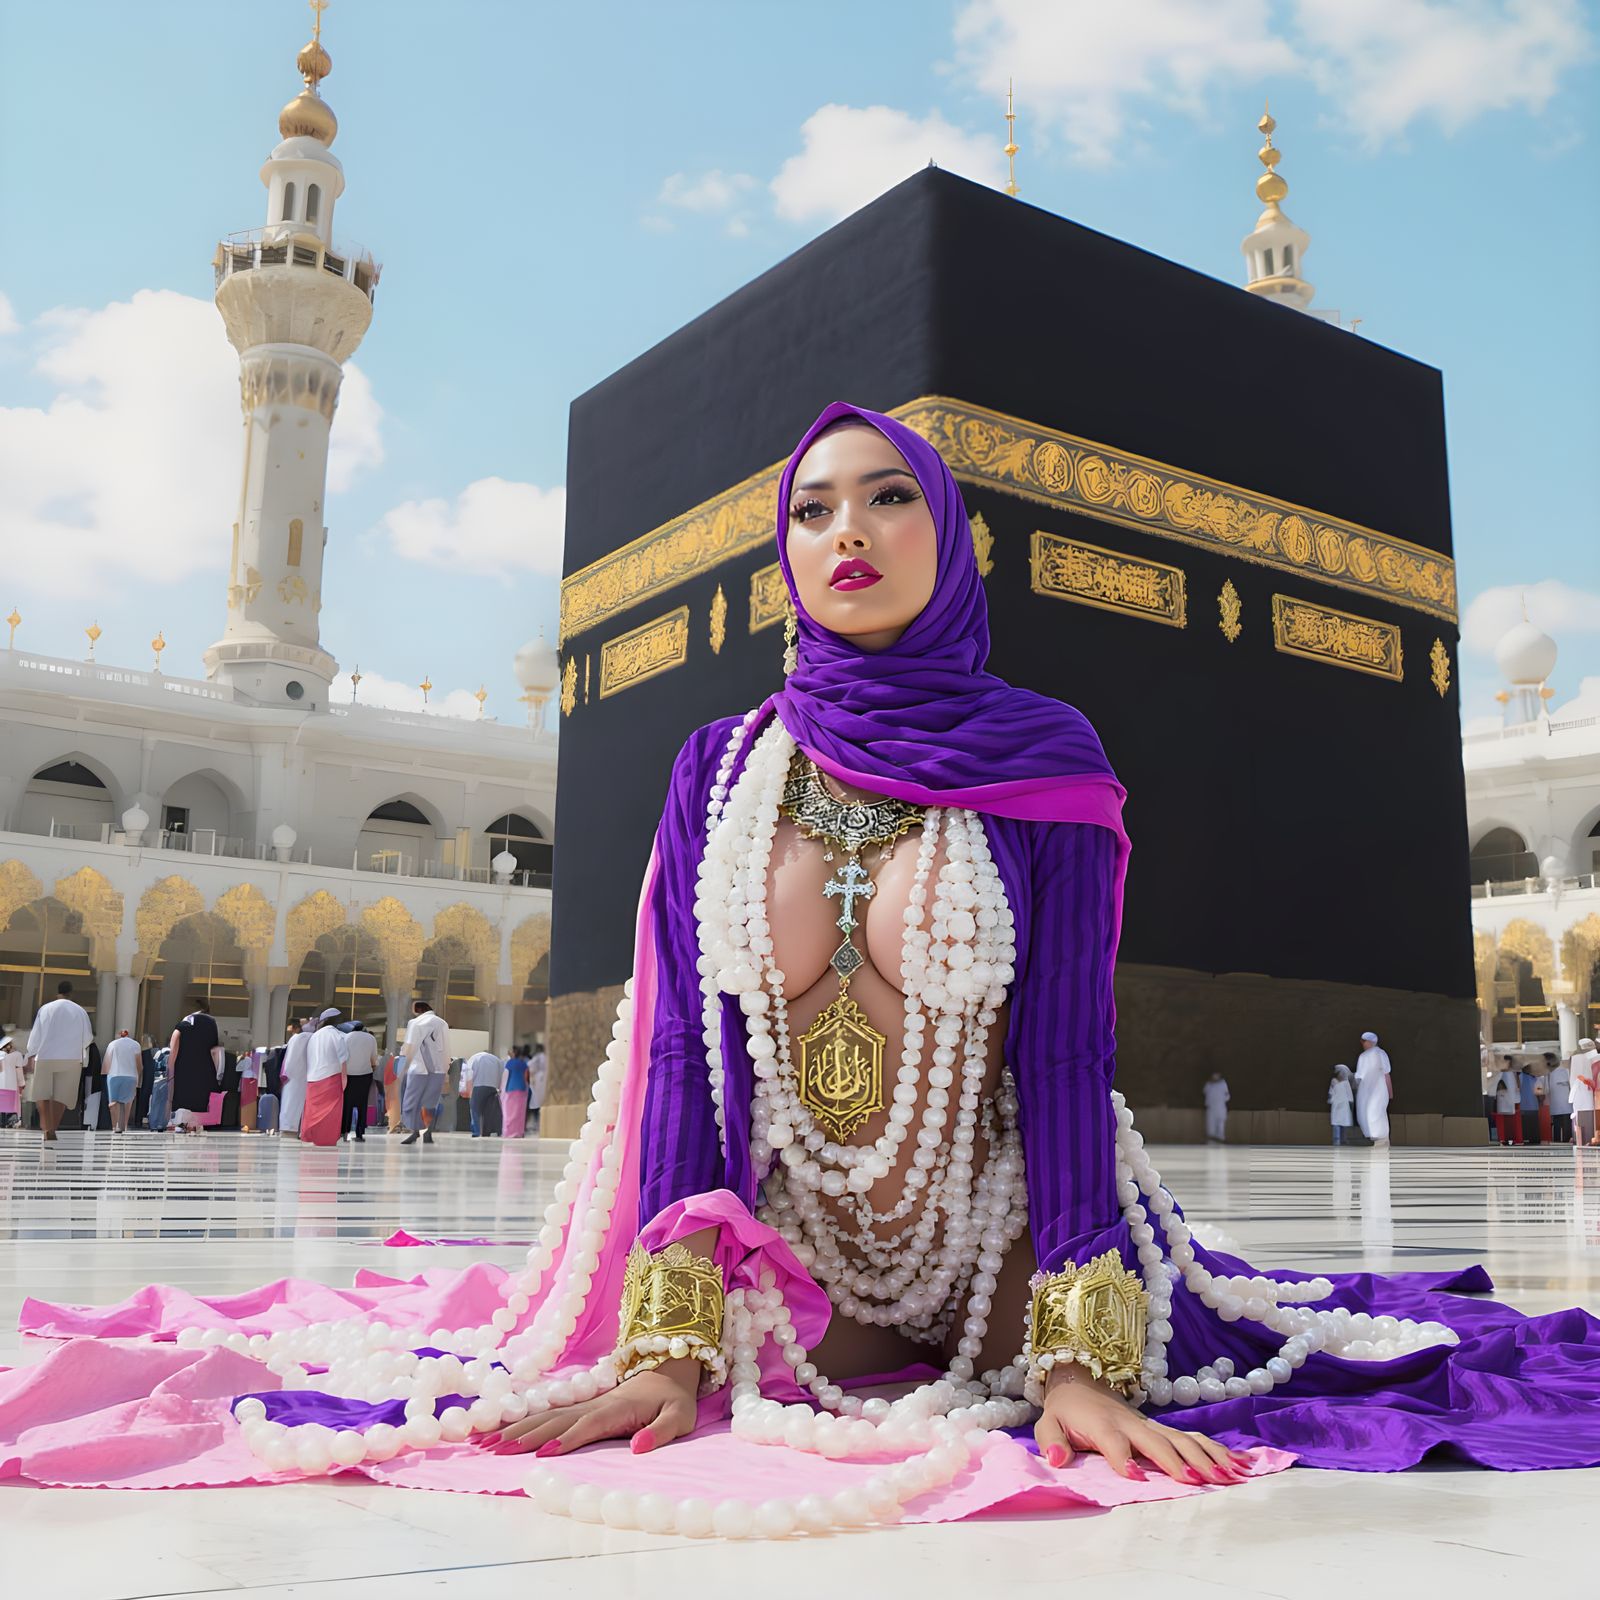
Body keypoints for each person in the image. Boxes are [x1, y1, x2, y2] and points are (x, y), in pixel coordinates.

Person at [13, 402, 1600, 1517]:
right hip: (796, 1266)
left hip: (998, 1257)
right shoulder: (723, 766)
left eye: (891, 496)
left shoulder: (1040, 759)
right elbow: (698, 1063)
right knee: (650, 1415)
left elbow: (1060, 1064)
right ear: (784, 551)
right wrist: (669, 1339)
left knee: (1148, 1408)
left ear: (952, 532)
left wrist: (1076, 1355)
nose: (852, 529)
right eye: (816, 506)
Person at [24, 979, 92, 1142]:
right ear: (71, 993)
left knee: (42, 1093)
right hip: (71, 1058)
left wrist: (31, 1053)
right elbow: (88, 1037)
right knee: (61, 1097)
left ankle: (46, 1127)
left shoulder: (46, 1008)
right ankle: (53, 1127)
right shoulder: (80, 1011)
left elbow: (36, 1035)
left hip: (46, 1055)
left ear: (58, 992)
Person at [167, 1002, 222, 1135]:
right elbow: (215, 1051)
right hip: (205, 1071)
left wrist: (170, 1071)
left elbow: (173, 1050)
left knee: (183, 1099)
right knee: (200, 1101)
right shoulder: (211, 1024)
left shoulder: (184, 1024)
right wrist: (217, 1074)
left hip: (184, 1070)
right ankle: (196, 1126)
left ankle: (183, 1125)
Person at [400, 1000, 449, 1147]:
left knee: (411, 1102)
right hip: (438, 1069)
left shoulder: (415, 1023)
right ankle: (428, 1133)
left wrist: (403, 1067)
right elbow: (446, 1049)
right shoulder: (442, 1023)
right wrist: (445, 1071)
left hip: (418, 1069)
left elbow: (410, 1047)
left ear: (417, 1009)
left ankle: (415, 1132)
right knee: (430, 1103)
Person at [300, 1008, 349, 1147]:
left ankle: (312, 1136)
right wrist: (344, 1081)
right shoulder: (337, 1035)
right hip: (331, 1078)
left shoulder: (314, 1036)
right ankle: (326, 1138)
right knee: (330, 1112)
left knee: (313, 1111)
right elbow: (343, 1060)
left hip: (312, 1079)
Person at [1353, 1031, 1393, 1147]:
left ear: (1370, 1042)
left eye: (1364, 1041)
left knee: (1376, 1111)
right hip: (1366, 1090)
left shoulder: (1381, 1053)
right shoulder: (1363, 1057)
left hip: (1379, 1089)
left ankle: (1383, 1140)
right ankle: (1377, 1140)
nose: (1363, 1044)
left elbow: (1386, 1073)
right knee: (1366, 1113)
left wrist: (1390, 1091)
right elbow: (1359, 1076)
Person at [340, 1021, 378, 1142]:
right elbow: (374, 1058)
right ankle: (359, 1133)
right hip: (365, 1075)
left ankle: (344, 1133)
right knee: (362, 1105)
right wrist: (372, 1067)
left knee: (347, 1104)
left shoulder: (345, 1037)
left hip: (349, 1075)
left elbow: (342, 1056)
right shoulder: (371, 1038)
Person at [278, 1019, 313, 1139]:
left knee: (290, 1102)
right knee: (302, 1103)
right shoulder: (313, 1038)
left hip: (293, 1076)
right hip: (307, 1075)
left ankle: (288, 1127)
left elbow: (289, 1060)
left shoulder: (296, 1039)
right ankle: (301, 1128)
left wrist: (285, 1073)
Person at [103, 1028, 143, 1133]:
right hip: (130, 1076)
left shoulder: (112, 1044)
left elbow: (107, 1061)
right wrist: (139, 1080)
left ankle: (114, 1126)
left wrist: (104, 1073)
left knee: (113, 1101)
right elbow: (139, 1065)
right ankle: (123, 1126)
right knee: (127, 1102)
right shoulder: (136, 1045)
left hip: (114, 1075)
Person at [464, 1048, 503, 1137]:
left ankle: (476, 1132)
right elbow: (502, 1073)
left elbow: (469, 1073)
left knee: (475, 1110)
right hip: (493, 1087)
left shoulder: (475, 1058)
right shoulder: (496, 1059)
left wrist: (467, 1088)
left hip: (478, 1086)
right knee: (489, 1111)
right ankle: (487, 1131)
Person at [500, 1043, 530, 1139]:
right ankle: (519, 1132)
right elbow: (526, 1077)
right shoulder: (524, 1064)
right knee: (520, 1112)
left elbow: (506, 1076)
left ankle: (508, 1132)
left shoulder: (509, 1063)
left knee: (509, 1112)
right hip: (522, 1089)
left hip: (511, 1089)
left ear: (513, 1053)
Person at [1572, 1038, 1598, 1146]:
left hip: (1580, 1092)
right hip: (1590, 1092)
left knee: (1580, 1115)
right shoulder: (1594, 1057)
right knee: (1592, 1115)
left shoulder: (1574, 1057)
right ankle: (1591, 1138)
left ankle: (1583, 1139)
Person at [1545, 1051, 1573, 1143]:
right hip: (1562, 1102)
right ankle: (1564, 1139)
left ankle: (1558, 1140)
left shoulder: (1550, 1071)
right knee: (1564, 1123)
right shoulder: (1566, 1071)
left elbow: (1547, 1088)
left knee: (1559, 1122)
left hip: (1559, 1102)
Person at [1493, 1056, 1522, 1145]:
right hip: (1503, 1097)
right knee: (1503, 1118)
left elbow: (1516, 1083)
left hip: (1511, 1098)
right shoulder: (1501, 1070)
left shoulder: (1513, 1071)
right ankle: (1503, 1139)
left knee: (1511, 1118)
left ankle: (1511, 1138)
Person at [0, 1035, 26, 1128]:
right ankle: (9, 1121)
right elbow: (19, 1070)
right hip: (11, 1084)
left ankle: (2, 1122)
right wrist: (22, 1083)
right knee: (10, 1104)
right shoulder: (17, 1055)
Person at [1328, 1064, 1354, 1145]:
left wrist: (1351, 1105)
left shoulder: (1346, 1083)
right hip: (1336, 1105)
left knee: (1344, 1123)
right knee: (1336, 1124)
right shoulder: (1334, 1081)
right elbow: (1331, 1092)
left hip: (1344, 1106)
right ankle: (1336, 1141)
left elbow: (1350, 1096)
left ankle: (1343, 1140)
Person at [1518, 1059, 1542, 1147]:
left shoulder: (1520, 1077)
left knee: (1526, 1125)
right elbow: (1539, 1092)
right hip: (1532, 1106)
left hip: (1524, 1105)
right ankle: (1534, 1139)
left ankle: (1527, 1139)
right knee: (1533, 1125)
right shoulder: (1535, 1078)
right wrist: (1541, 1100)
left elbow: (1518, 1088)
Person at [527, 1039, 548, 1135]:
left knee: (536, 1103)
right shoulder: (546, 1057)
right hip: (545, 1079)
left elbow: (530, 1066)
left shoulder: (538, 1057)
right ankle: (541, 1123)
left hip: (538, 1079)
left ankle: (537, 1123)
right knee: (542, 1102)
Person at [1202, 1072, 1229, 1143]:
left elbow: (1227, 1096)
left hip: (1220, 1108)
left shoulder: (1223, 1084)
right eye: (1214, 1075)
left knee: (1220, 1125)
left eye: (1216, 1075)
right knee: (1211, 1126)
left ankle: (1220, 1139)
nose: (1215, 1076)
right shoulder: (1209, 1084)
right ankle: (1211, 1141)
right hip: (1211, 1108)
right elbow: (1205, 1092)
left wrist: (1220, 1099)